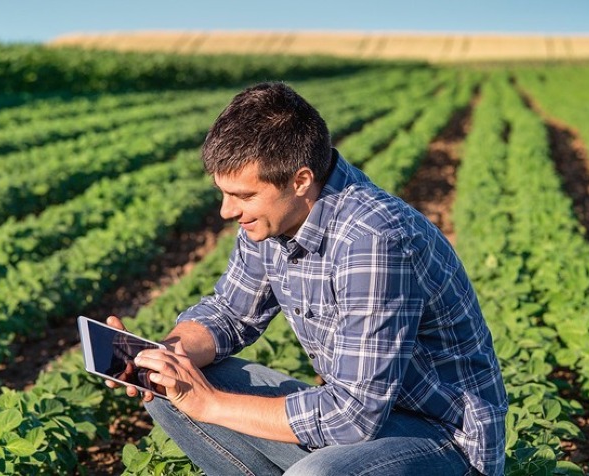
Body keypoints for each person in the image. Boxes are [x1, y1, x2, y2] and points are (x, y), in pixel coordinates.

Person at [105, 81, 507, 476]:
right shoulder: (273, 219)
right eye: (223, 193)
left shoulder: (372, 240)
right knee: (165, 388)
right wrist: (162, 355)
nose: (227, 211)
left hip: (442, 437)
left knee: (315, 474)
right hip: (361, 421)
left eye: (244, 196)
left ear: (299, 181)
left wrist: (209, 403)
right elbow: (231, 313)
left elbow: (354, 416)